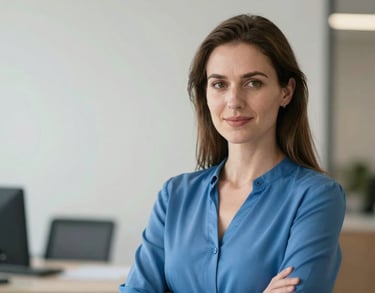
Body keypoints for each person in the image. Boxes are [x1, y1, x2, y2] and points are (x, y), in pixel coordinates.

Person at [119, 14, 345, 293]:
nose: (234, 101)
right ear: (205, 94)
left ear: (286, 92)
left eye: (253, 83)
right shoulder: (175, 195)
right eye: (219, 84)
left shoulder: (316, 197)